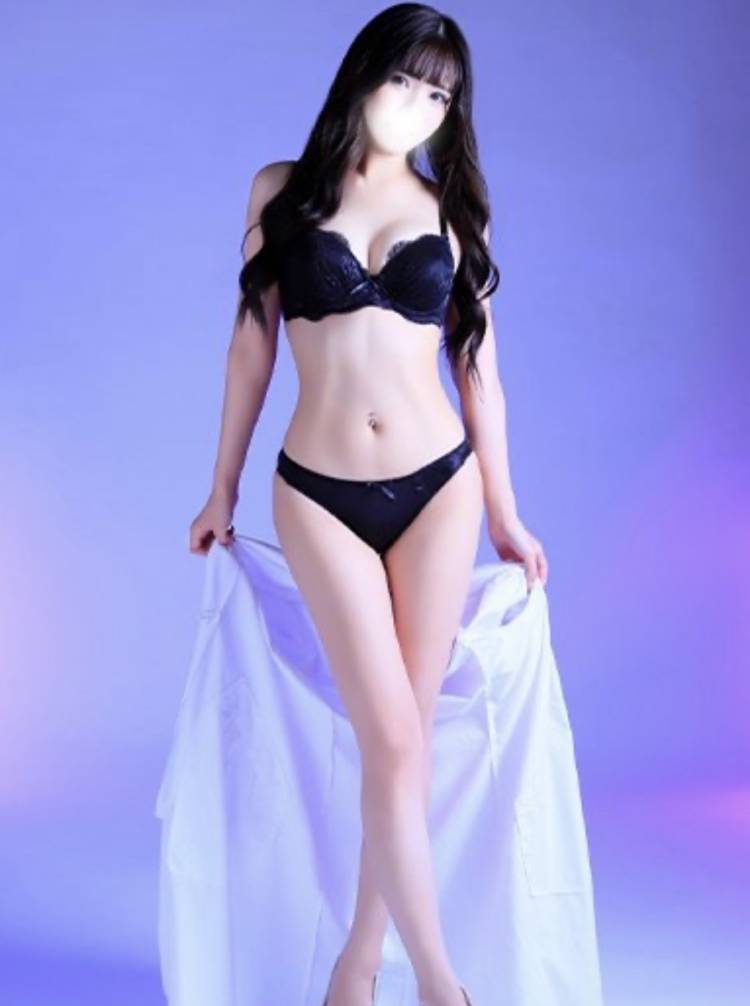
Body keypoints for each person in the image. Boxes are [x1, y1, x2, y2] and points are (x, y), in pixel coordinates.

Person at [189, 5, 547, 1005]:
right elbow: (252, 344)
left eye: (441, 95)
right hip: (318, 492)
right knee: (390, 737)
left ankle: (356, 967)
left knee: (406, 744)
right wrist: (221, 486)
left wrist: (506, 512)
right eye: (406, 81)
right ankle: (440, 984)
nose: (421, 106)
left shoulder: (453, 210)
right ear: (363, 76)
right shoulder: (281, 190)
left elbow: (480, 373)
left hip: (441, 490)